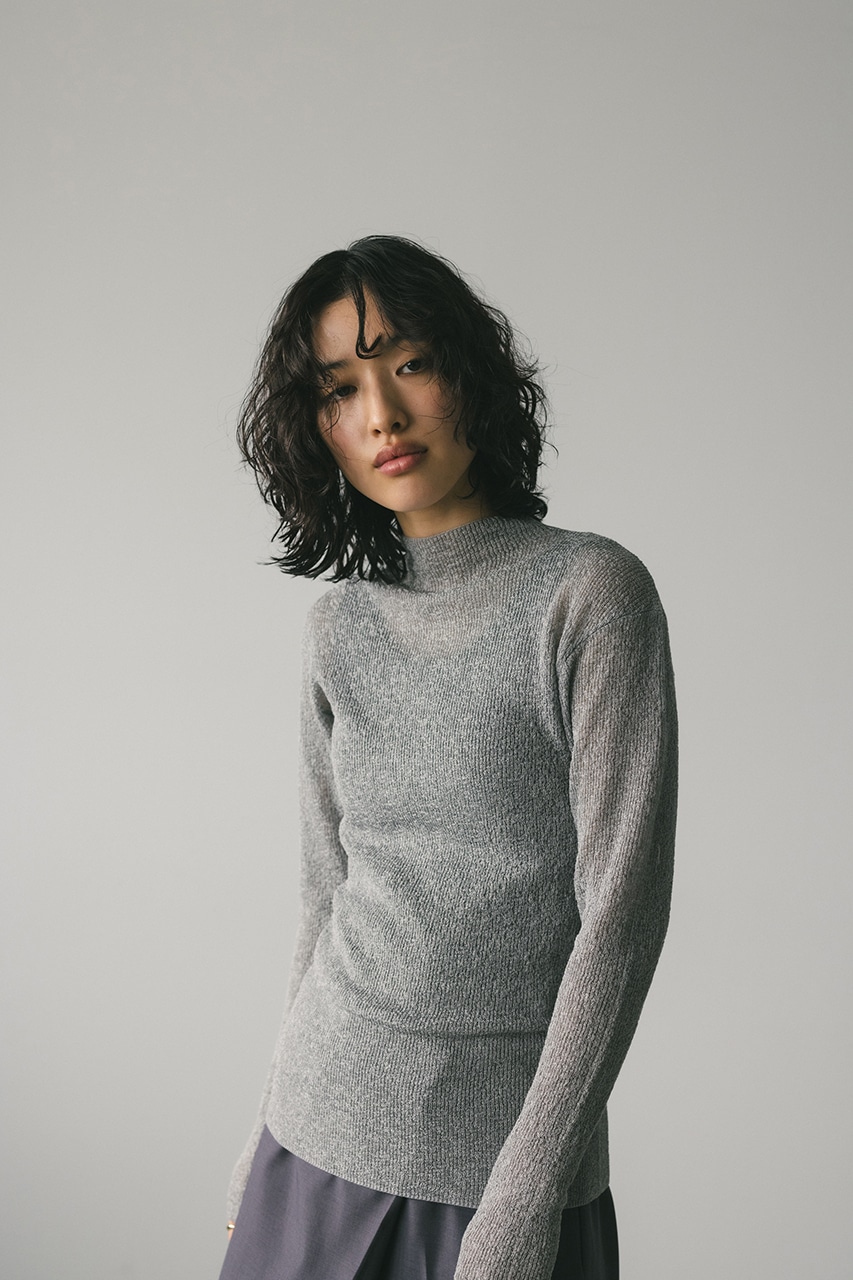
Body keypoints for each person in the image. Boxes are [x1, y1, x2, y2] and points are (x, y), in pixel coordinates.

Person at [219, 235, 677, 1280]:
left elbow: (620, 918)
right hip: (310, 1136)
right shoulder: (338, 627)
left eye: (409, 363)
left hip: (495, 1175)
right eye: (339, 390)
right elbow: (324, 895)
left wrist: (524, 1197)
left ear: (467, 371)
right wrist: (259, 1140)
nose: (381, 414)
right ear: (316, 430)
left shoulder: (589, 595)